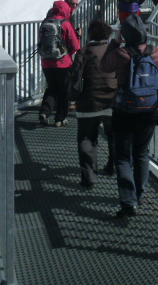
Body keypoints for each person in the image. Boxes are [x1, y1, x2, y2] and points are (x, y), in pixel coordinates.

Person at [99, 14, 158, 218]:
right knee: (141, 153)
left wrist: (115, 42)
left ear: (126, 34)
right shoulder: (157, 53)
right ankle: (139, 194)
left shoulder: (122, 53)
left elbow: (103, 66)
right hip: (149, 112)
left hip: (124, 112)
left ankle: (128, 202)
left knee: (122, 158)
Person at [69, 19, 118, 187]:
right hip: (112, 102)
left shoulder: (84, 52)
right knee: (114, 136)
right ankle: (112, 167)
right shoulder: (115, 51)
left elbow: (74, 75)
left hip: (88, 103)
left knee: (87, 139)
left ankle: (89, 177)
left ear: (90, 34)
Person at [39, 0, 81, 127]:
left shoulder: (45, 23)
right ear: (65, 10)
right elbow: (75, 46)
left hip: (46, 62)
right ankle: (60, 118)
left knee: (51, 88)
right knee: (63, 90)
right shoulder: (65, 24)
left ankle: (45, 112)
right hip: (63, 63)